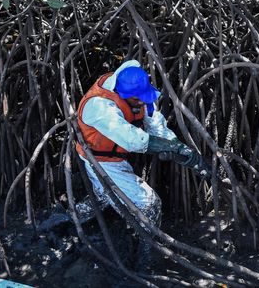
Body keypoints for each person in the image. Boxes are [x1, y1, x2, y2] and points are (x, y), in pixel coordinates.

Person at [74, 60, 210, 267]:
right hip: (100, 162)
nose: (144, 102)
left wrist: (177, 147)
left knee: (103, 196)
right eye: (140, 100)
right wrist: (173, 148)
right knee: (149, 204)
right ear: (125, 96)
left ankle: (66, 217)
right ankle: (146, 255)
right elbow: (132, 139)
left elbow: (155, 123)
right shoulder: (100, 107)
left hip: (115, 158)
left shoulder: (134, 90)